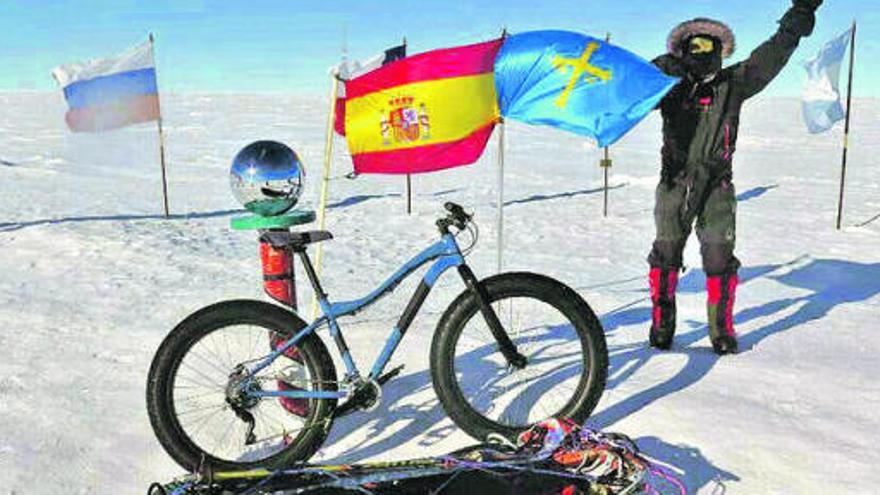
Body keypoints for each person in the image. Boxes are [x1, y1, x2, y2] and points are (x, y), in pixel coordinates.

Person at [647, 0, 823, 355]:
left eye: (708, 45)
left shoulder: (734, 84)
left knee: (719, 257)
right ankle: (662, 324)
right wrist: (657, 71)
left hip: (717, 186)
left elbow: (771, 55)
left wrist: (797, 18)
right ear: (682, 51)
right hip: (675, 183)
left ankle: (721, 329)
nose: (701, 51)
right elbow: (628, 89)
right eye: (693, 46)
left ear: (719, 51)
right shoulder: (668, 87)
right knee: (665, 254)